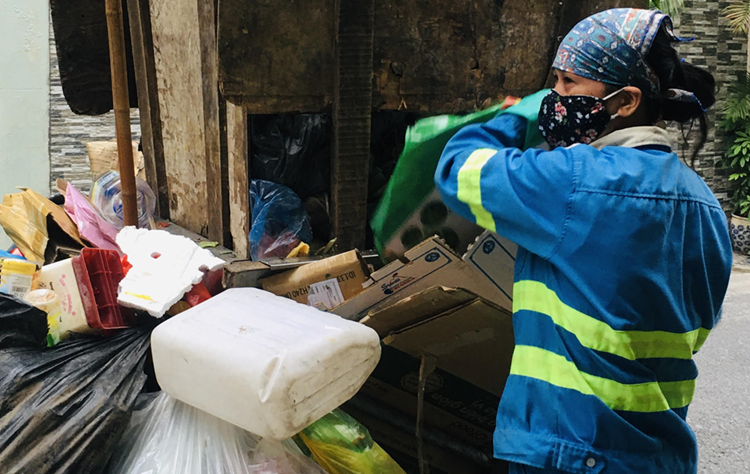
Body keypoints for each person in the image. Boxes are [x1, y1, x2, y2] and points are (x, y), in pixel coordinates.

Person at [434, 8, 733, 474]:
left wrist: (517, 114)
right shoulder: (706, 205)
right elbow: (699, 320)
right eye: (552, 82)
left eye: (569, 83)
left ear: (626, 101)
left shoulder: (574, 183)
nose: (556, 96)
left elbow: (458, 170)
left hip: (570, 451)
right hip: (659, 455)